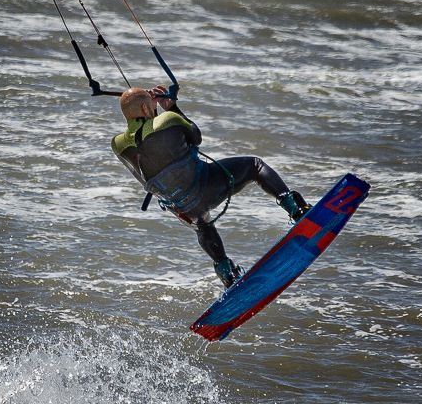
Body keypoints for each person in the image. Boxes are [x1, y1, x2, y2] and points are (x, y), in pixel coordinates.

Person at [110, 86, 311, 288]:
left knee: (201, 222)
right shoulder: (168, 119)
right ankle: (295, 208)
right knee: (255, 166)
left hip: (181, 205)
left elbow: (147, 152)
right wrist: (171, 107)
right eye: (149, 105)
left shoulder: (118, 145)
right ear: (145, 108)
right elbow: (196, 137)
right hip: (205, 185)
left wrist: (148, 107)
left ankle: (227, 272)